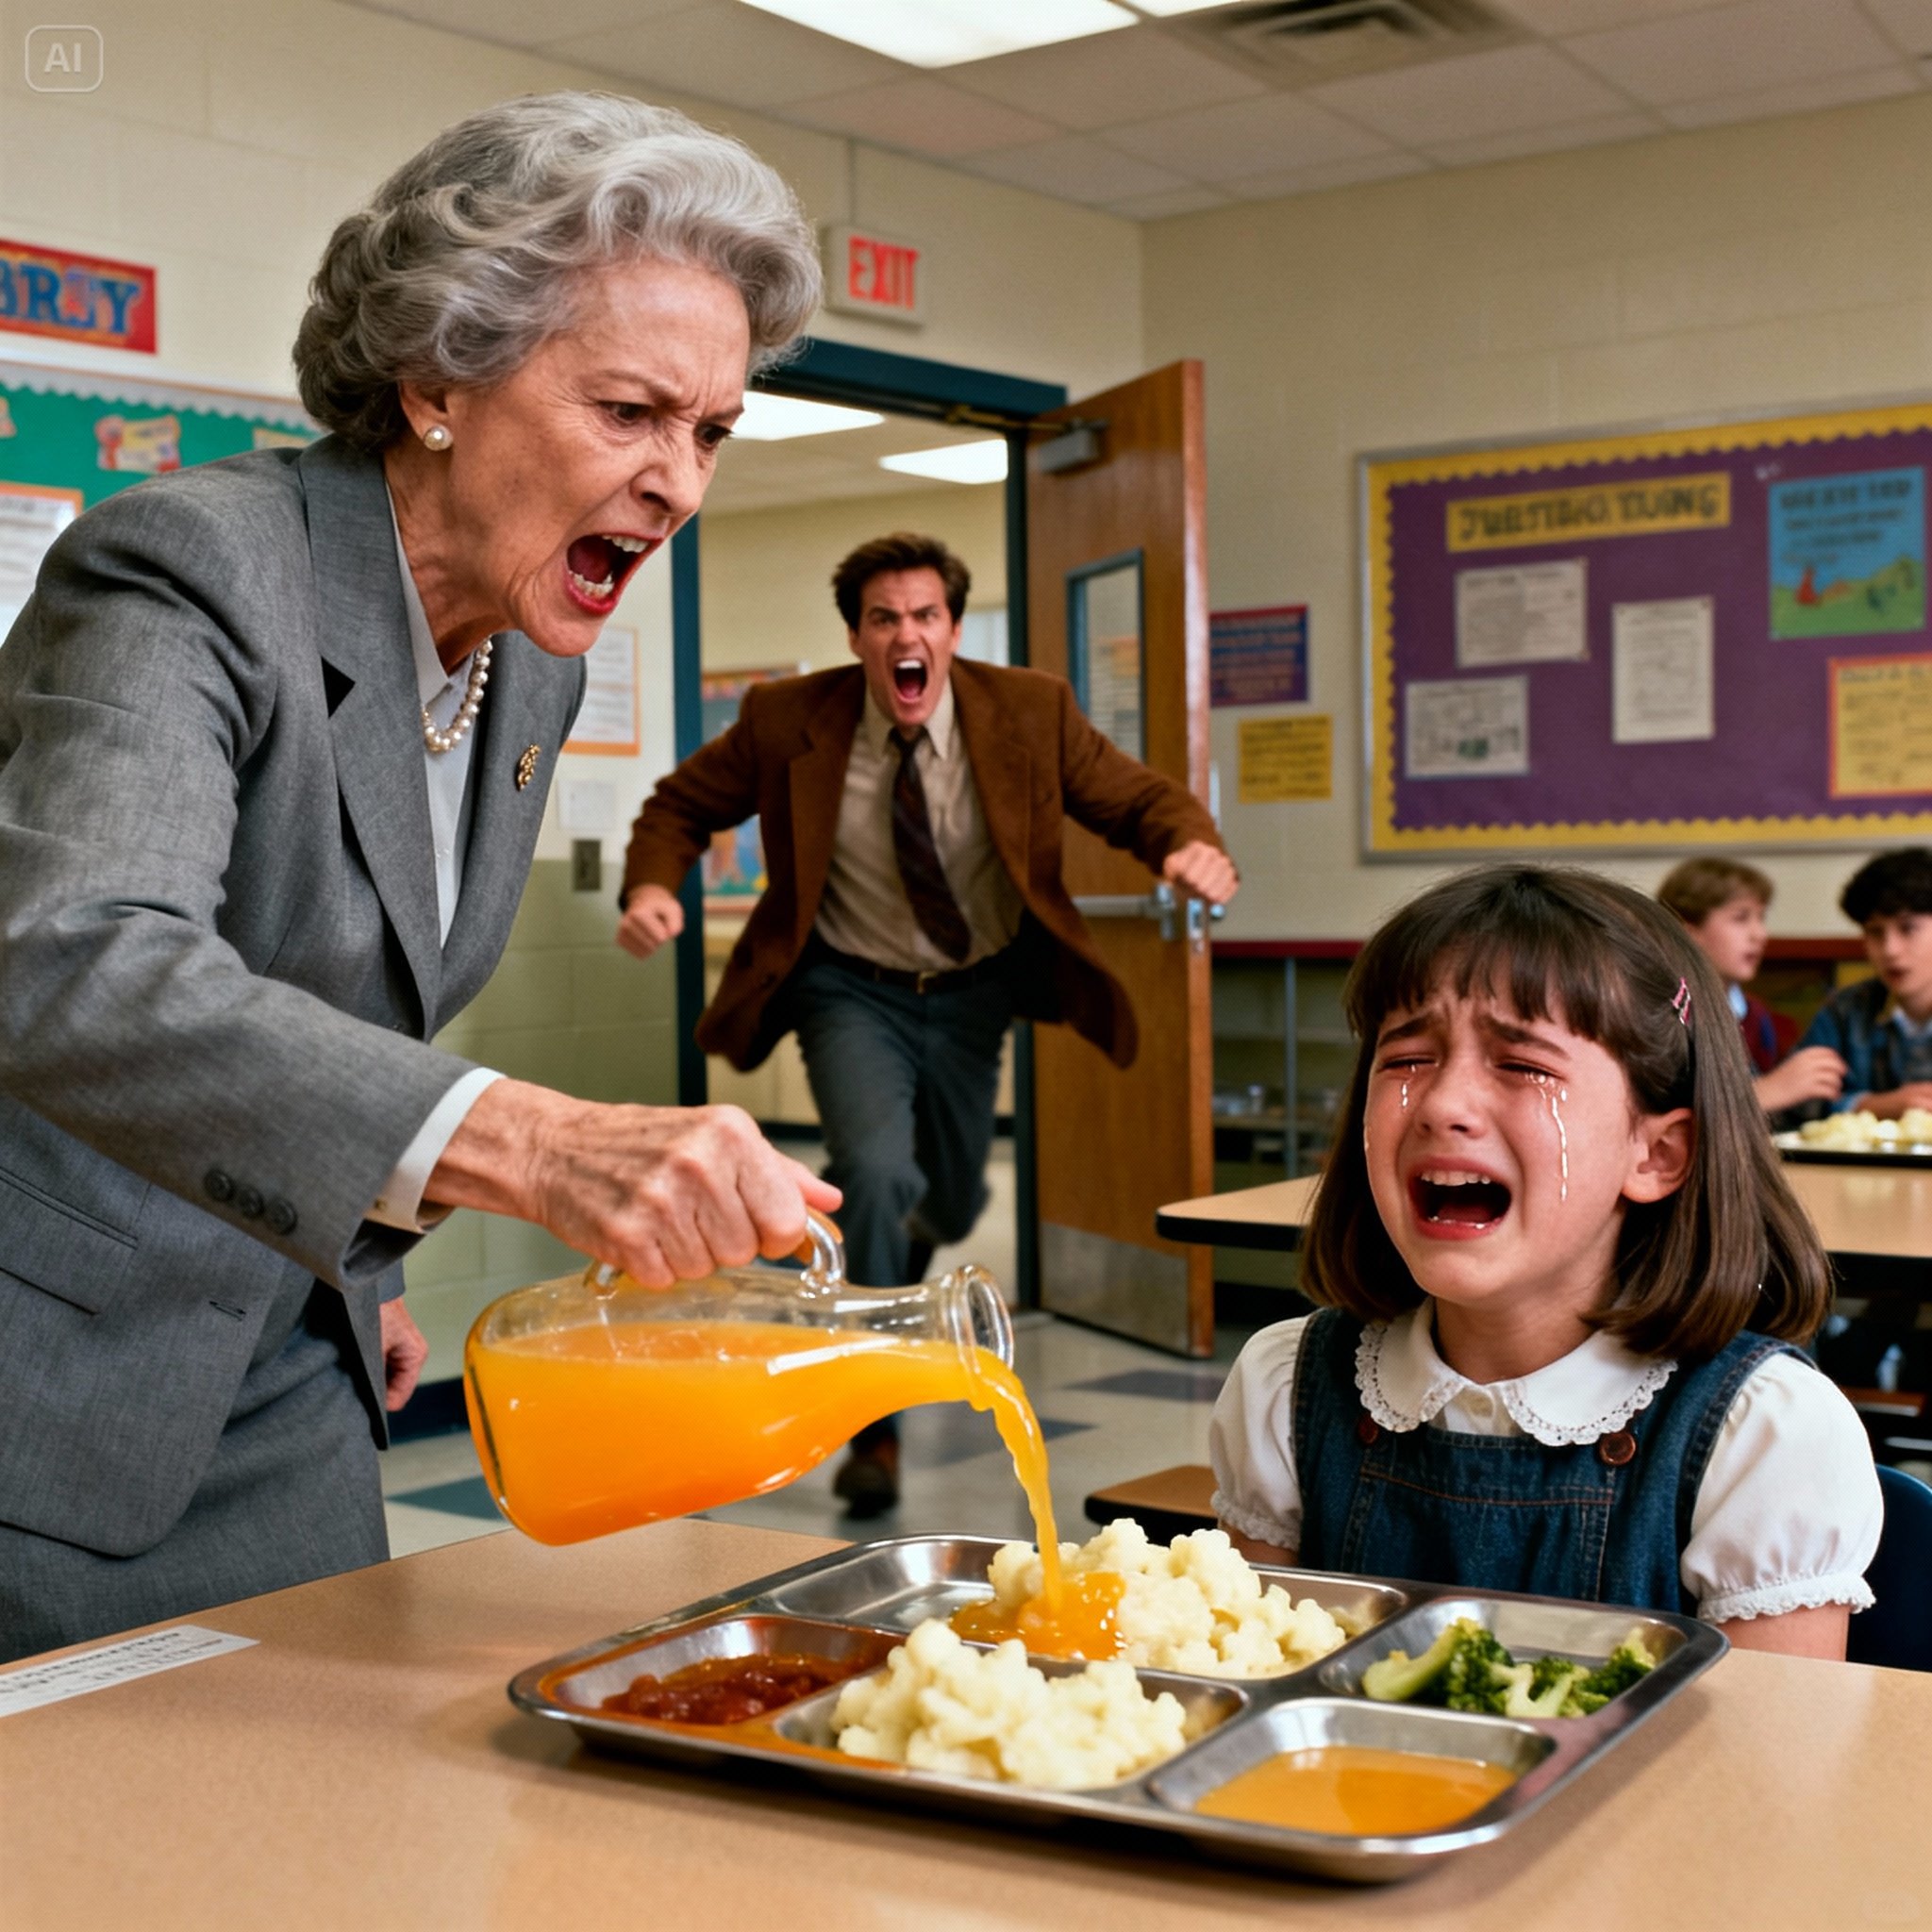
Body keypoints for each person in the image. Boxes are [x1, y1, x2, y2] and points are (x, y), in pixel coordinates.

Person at [0, 93, 841, 1663]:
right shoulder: (181, 568)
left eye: (710, 431)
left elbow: (333, 979)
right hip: (53, 1371)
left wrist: (355, 1250)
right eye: (628, 412)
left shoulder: (526, 656)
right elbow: (76, 957)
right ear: (439, 381)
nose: (679, 482)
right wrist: (529, 1138)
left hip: (287, 1344)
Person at [619, 531, 1239, 1514]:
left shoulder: (1027, 712)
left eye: (924, 616)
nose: (905, 635)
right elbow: (680, 806)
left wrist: (1189, 847)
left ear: (950, 628)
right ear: (858, 638)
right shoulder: (789, 718)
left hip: (970, 989)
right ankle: (873, 1427)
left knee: (942, 1202)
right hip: (845, 986)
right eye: (882, 619)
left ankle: (885, 1275)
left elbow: (1134, 799)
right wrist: (653, 886)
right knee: (870, 1170)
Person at [1208, 865, 1880, 1658]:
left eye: (1522, 1065)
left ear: (1658, 1154)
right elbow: (1260, 1693)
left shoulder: (1763, 1433)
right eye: (1406, 1058)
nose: (1442, 1105)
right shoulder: (1288, 1384)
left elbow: (1762, 1777)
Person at [1656, 855, 1846, 1116]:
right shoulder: (1661, 1013)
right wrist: (1765, 1092)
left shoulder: (1757, 1016)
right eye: (1741, 918)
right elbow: (1661, 1112)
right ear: (1687, 933)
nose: (1759, 934)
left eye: (1761, 918)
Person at [1789, 847, 1932, 1121]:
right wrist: (1871, 1106)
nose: (1890, 950)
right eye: (1875, 932)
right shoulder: (1845, 1010)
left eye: (1908, 928)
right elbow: (1793, 1102)